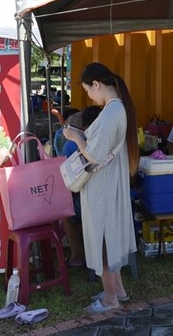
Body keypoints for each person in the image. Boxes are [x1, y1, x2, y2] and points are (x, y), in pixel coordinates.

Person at [62, 62, 139, 313]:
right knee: (110, 238)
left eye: (88, 90)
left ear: (96, 84)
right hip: (109, 183)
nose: (89, 96)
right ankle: (117, 290)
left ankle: (110, 298)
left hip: (102, 186)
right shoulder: (116, 109)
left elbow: (93, 154)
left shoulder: (110, 112)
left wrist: (76, 137)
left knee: (103, 240)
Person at [61, 105, 102, 268]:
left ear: (84, 127)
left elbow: (72, 181)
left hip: (92, 201)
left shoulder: (73, 144)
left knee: (68, 213)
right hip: (118, 200)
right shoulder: (115, 140)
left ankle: (77, 255)